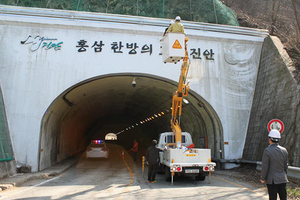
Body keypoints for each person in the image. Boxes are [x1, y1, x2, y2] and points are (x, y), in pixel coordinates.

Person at [260, 129, 288, 200]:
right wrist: (284, 175)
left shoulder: (267, 150)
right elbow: (285, 166)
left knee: (272, 197)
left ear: (270, 139)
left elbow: (265, 166)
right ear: (278, 139)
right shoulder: (284, 150)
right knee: (283, 197)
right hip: (282, 179)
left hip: (272, 180)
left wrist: (263, 178)